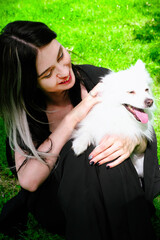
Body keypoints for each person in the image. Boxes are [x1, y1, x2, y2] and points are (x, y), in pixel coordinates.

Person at [0, 21, 159, 240]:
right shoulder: (27, 112)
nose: (64, 71)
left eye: (60, 55)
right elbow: (29, 180)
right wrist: (76, 115)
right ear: (29, 83)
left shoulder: (98, 80)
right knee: (80, 155)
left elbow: (144, 135)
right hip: (63, 201)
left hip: (117, 185)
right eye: (47, 74)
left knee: (106, 150)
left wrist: (131, 141)